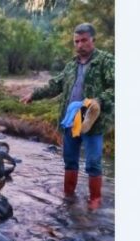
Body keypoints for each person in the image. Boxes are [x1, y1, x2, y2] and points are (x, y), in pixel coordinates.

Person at [21, 23, 114, 210]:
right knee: (70, 160)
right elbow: (55, 85)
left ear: (93, 40)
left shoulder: (106, 61)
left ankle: (95, 200)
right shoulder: (71, 65)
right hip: (70, 121)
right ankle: (68, 198)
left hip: (92, 121)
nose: (80, 45)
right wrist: (34, 95)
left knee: (94, 162)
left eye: (84, 40)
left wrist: (99, 101)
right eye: (76, 41)